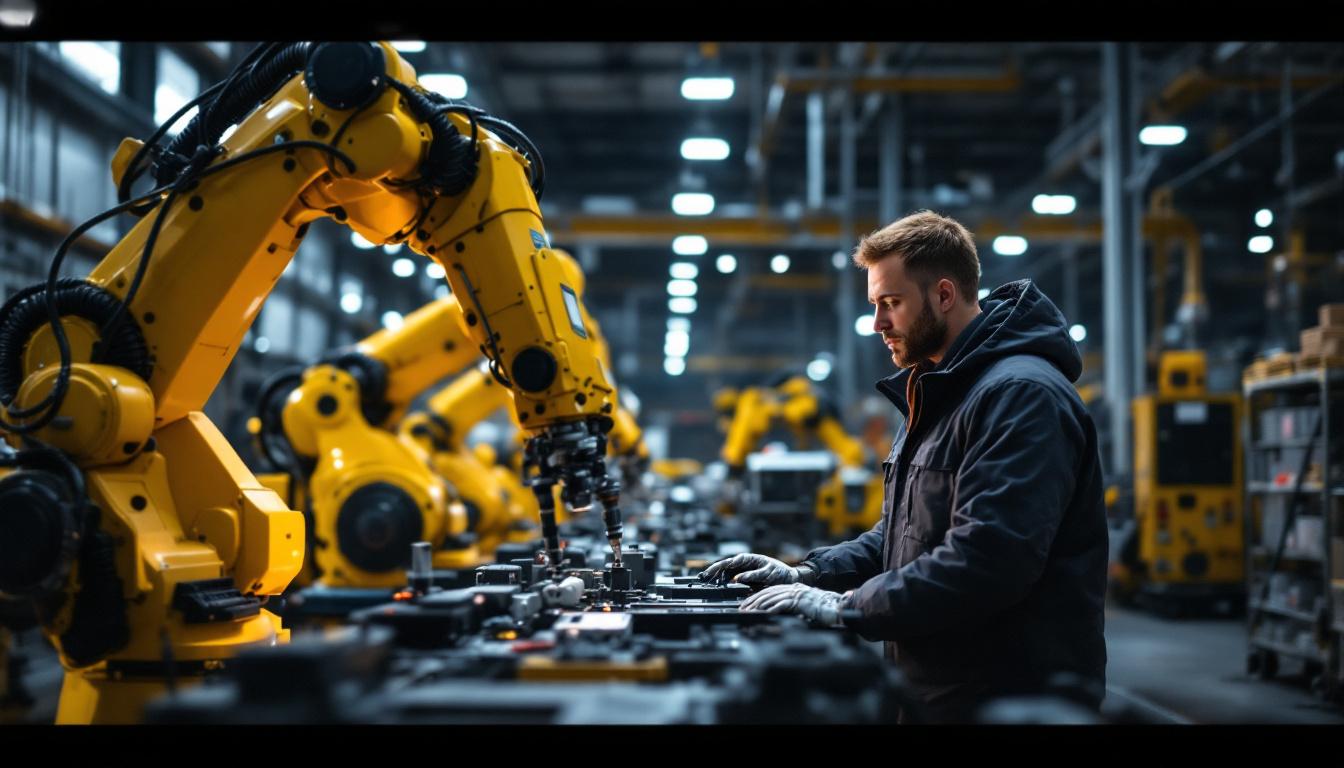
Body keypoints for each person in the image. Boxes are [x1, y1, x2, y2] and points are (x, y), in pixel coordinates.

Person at [701, 210, 1108, 723]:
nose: (878, 323)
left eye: (890, 303)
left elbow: (989, 560)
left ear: (943, 295)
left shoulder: (1020, 395)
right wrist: (810, 572)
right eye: (875, 305)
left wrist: (848, 606)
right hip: (939, 688)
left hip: (1008, 697)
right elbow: (904, 534)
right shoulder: (938, 390)